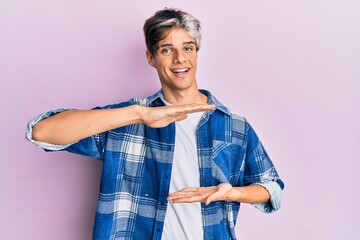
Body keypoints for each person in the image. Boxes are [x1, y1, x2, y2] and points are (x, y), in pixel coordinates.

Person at [26, 8, 284, 240]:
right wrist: (139, 114)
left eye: (187, 48)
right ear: (151, 57)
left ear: (196, 52)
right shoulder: (125, 119)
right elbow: (42, 131)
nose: (180, 59)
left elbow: (271, 187)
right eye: (166, 49)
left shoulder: (234, 125)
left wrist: (232, 193)